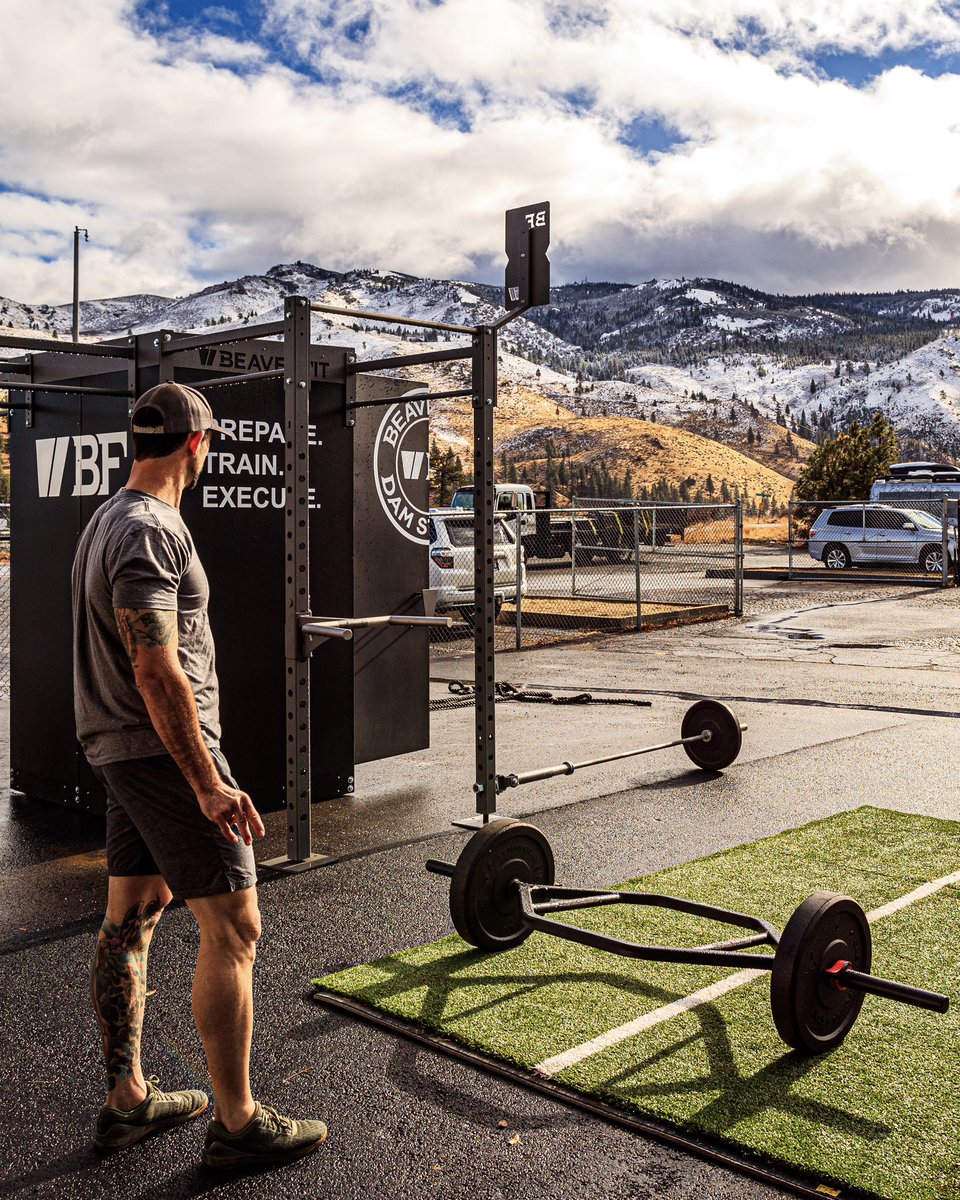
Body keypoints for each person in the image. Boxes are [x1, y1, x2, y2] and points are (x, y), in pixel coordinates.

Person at [72, 381, 327, 1168]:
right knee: (236, 929)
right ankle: (239, 1122)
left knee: (135, 912)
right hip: (161, 753)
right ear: (196, 444)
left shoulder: (109, 520)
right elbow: (156, 668)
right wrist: (208, 780)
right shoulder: (152, 530)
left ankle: (129, 1102)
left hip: (124, 751)